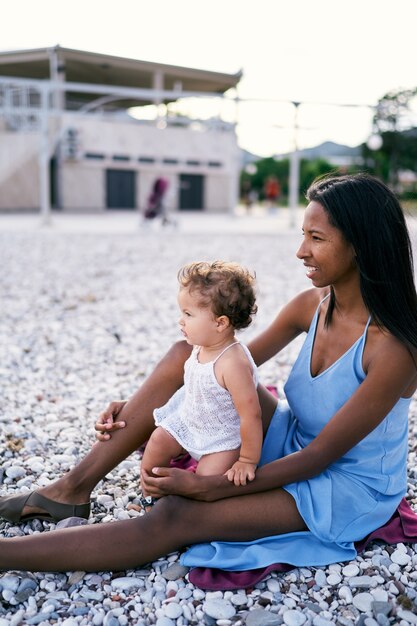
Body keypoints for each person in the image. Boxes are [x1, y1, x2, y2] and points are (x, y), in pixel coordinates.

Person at [0, 173, 416, 577]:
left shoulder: (392, 349)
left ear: (362, 245)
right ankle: (72, 488)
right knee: (189, 353)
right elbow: (214, 369)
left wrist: (214, 489)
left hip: (342, 485)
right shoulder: (313, 305)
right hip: (292, 439)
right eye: (303, 235)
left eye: (317, 238)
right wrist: (139, 406)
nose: (300, 251)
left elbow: (320, 458)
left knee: (179, 515)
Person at [140, 260, 262, 507]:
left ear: (220, 323)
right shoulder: (201, 346)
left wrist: (247, 460)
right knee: (157, 441)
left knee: (207, 479)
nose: (180, 321)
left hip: (221, 440)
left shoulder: (233, 363)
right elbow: (194, 387)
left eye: (188, 314)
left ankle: (185, 510)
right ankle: (151, 494)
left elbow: (251, 415)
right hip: (191, 421)